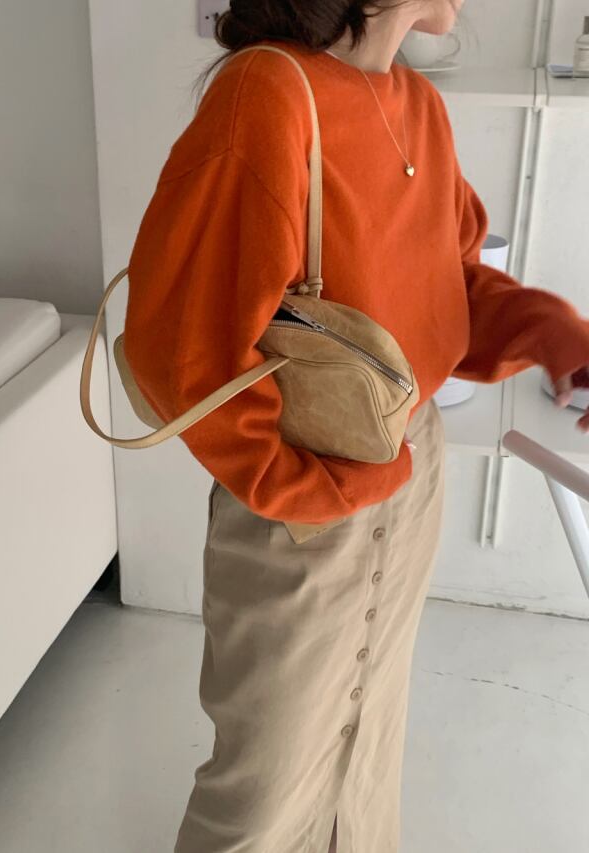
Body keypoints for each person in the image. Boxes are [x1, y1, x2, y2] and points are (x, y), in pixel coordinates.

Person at [123, 2, 589, 850]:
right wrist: (305, 489)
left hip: (411, 471)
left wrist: (554, 333)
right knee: (263, 791)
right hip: (299, 502)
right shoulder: (267, 94)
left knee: (366, 745)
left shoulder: (419, 104)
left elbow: (449, 287)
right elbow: (180, 348)